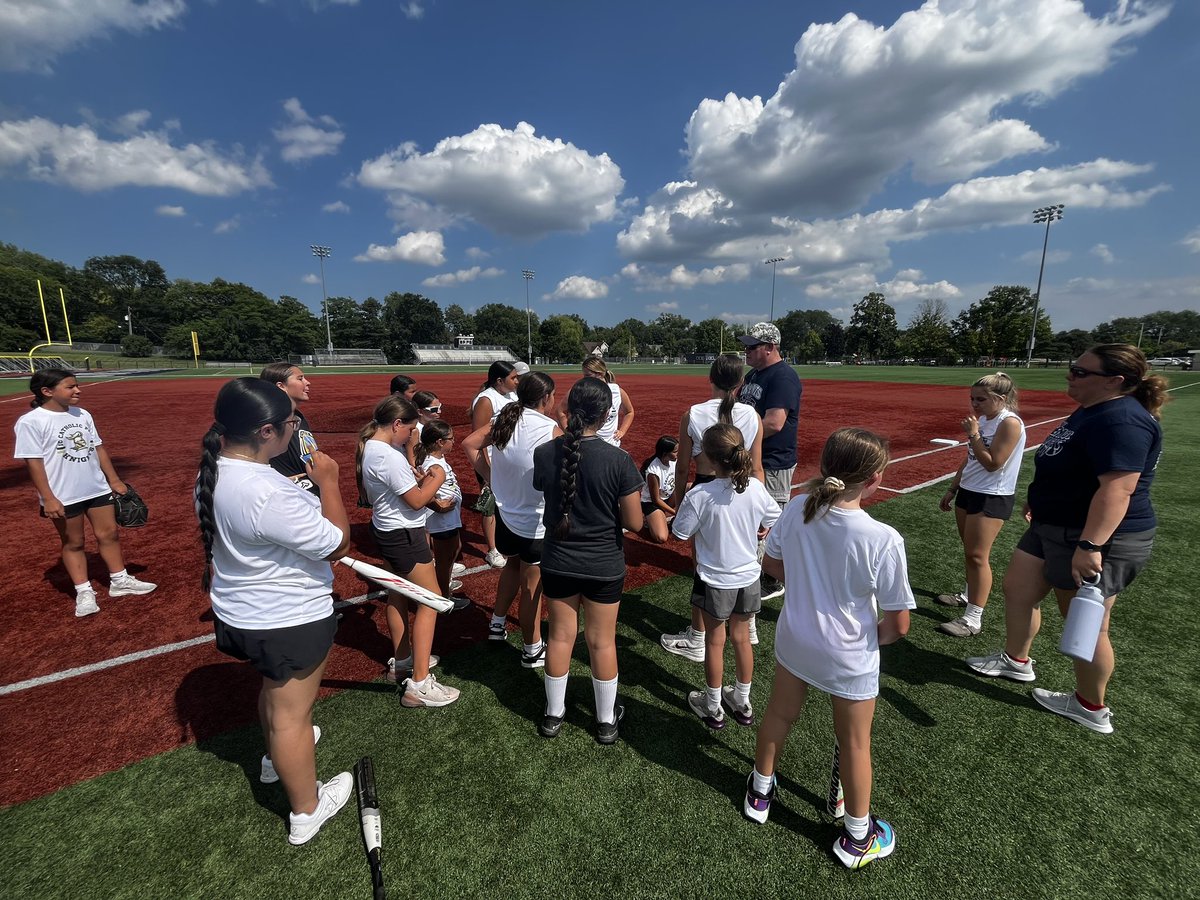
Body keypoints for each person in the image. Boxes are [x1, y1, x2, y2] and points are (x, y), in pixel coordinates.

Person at [967, 345, 1166, 734]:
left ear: (1114, 381)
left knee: (1087, 621)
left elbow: (1118, 490)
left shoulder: (1121, 420)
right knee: (1018, 590)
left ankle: (1090, 705)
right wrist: (1041, 499)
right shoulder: (1095, 410)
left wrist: (1090, 546)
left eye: (1080, 371)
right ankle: (1016, 660)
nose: (1070, 375)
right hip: (1052, 525)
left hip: (1089, 535)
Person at [744, 428, 913, 872]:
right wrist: (862, 641)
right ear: (875, 478)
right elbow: (897, 625)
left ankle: (760, 792)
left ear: (824, 466)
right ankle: (858, 836)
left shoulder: (799, 505)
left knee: (778, 716)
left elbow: (773, 563)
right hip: (849, 655)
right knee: (855, 743)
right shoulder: (883, 539)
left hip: (795, 639)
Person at [196, 378, 352, 845]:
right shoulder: (267, 492)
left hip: (241, 613)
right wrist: (329, 483)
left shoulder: (215, 471)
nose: (295, 430)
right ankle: (307, 809)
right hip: (286, 617)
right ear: (266, 431)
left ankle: (273, 761)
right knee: (292, 716)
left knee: (275, 694)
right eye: (290, 424)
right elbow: (337, 544)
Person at [532, 377, 644, 743]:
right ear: (608, 414)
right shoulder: (618, 460)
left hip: (558, 560)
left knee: (561, 637)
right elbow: (633, 522)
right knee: (602, 642)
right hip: (602, 564)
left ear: (567, 408)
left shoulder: (546, 453)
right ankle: (606, 721)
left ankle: (552, 714)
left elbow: (544, 489)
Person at [14, 368, 157, 617]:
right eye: (70, 387)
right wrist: (48, 497)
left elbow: (98, 448)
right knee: (74, 542)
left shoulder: (82, 415)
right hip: (63, 494)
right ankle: (83, 590)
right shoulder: (31, 422)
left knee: (109, 533)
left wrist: (114, 480)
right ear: (47, 391)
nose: (77, 390)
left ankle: (120, 580)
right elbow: (34, 463)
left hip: (95, 486)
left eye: (76, 385)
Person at [673, 424, 780, 730]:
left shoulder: (700, 495)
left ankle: (712, 705)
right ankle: (742, 701)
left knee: (715, 642)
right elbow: (773, 516)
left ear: (707, 456)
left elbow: (680, 533)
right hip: (748, 577)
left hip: (715, 579)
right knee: (742, 639)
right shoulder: (756, 488)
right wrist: (764, 528)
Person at [356, 395, 459, 707]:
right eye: (411, 430)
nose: (413, 436)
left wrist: (421, 484)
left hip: (389, 529)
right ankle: (419, 683)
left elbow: (406, 493)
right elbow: (415, 500)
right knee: (432, 599)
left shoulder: (374, 449)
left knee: (397, 593)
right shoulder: (387, 455)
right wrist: (436, 478)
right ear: (397, 424)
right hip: (403, 533)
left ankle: (403, 661)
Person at [661, 354, 763, 661]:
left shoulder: (692, 414)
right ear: (740, 382)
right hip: (744, 491)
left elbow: (681, 469)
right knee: (744, 557)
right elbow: (757, 468)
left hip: (705, 490)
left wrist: (679, 505)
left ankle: (697, 637)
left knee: (703, 564)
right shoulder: (752, 416)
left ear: (711, 378)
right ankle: (749, 624)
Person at [462, 372, 561, 666]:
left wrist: (492, 478)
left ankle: (497, 623)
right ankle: (532, 648)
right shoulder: (550, 429)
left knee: (512, 568)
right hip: (535, 523)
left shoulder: (505, 421)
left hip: (506, 517)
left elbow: (469, 444)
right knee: (533, 587)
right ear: (546, 398)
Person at [934, 373, 1027, 637]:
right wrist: (953, 488)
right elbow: (971, 459)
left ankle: (973, 619)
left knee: (977, 556)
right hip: (969, 491)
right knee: (970, 551)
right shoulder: (985, 420)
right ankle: (967, 594)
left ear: (1001, 398)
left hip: (992, 495)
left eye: (981, 399)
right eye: (972, 398)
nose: (975, 404)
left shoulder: (1009, 423)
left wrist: (974, 434)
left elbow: (993, 462)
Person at [738, 322, 803, 602]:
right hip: (754, 458)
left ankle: (772, 579)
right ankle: (754, 572)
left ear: (770, 347)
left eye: (752, 346)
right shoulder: (754, 374)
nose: (746, 351)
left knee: (769, 523)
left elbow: (775, 423)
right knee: (752, 519)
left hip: (773, 461)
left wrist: (735, 436)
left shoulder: (783, 377)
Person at [470, 361, 520, 568]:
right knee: (490, 505)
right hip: (490, 460)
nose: (517, 381)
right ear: (500, 381)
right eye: (514, 378)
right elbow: (478, 437)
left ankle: (508, 539)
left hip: (508, 459)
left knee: (509, 501)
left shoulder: (512, 396)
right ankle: (492, 549)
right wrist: (486, 469)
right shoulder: (486, 400)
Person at [415, 420, 467, 609]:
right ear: (439, 442)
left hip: (449, 519)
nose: (454, 442)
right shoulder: (433, 466)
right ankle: (443, 598)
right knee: (444, 562)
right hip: (442, 520)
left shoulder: (437, 461)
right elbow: (425, 493)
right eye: (450, 439)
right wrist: (440, 505)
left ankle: (443, 590)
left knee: (454, 549)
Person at [260, 363, 320, 495]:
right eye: (300, 378)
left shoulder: (297, 416)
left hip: (311, 493)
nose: (307, 382)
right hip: (291, 497)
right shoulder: (271, 423)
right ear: (281, 386)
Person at [578, 357, 635, 446]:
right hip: (588, 444)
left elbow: (629, 412)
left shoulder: (617, 391)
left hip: (612, 445)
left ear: (600, 374)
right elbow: (561, 410)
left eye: (587, 376)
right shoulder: (582, 391)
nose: (584, 379)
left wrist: (622, 431)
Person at [639, 436, 678, 544]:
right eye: (675, 451)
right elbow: (656, 499)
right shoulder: (653, 471)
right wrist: (675, 512)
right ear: (665, 453)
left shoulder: (674, 461)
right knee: (661, 537)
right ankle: (650, 519)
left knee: (690, 487)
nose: (678, 453)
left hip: (668, 497)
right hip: (653, 503)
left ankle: (666, 519)